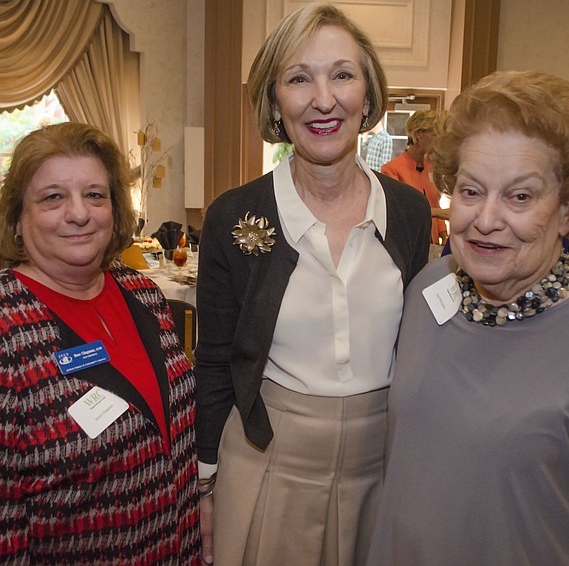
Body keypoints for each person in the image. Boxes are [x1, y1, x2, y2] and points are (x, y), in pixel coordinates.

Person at [367, 71, 569, 564]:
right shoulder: (426, 291)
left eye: (520, 196)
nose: (486, 219)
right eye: (471, 191)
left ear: (568, 209)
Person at [194, 3, 432, 565]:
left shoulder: (408, 211)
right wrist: (207, 483)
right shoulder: (232, 216)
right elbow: (215, 362)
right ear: (275, 102)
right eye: (299, 79)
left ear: (368, 96)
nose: (324, 100)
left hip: (382, 470)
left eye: (342, 75)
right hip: (268, 464)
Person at [0, 122, 200, 564]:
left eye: (95, 195)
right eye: (53, 197)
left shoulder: (143, 294)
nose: (79, 213)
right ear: (17, 217)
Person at [381, 109, 449, 245]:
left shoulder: (432, 167)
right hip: (407, 243)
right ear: (419, 135)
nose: (439, 140)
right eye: (435, 134)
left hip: (432, 243)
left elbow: (434, 202)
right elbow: (397, 212)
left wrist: (443, 233)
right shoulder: (391, 170)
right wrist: (438, 212)